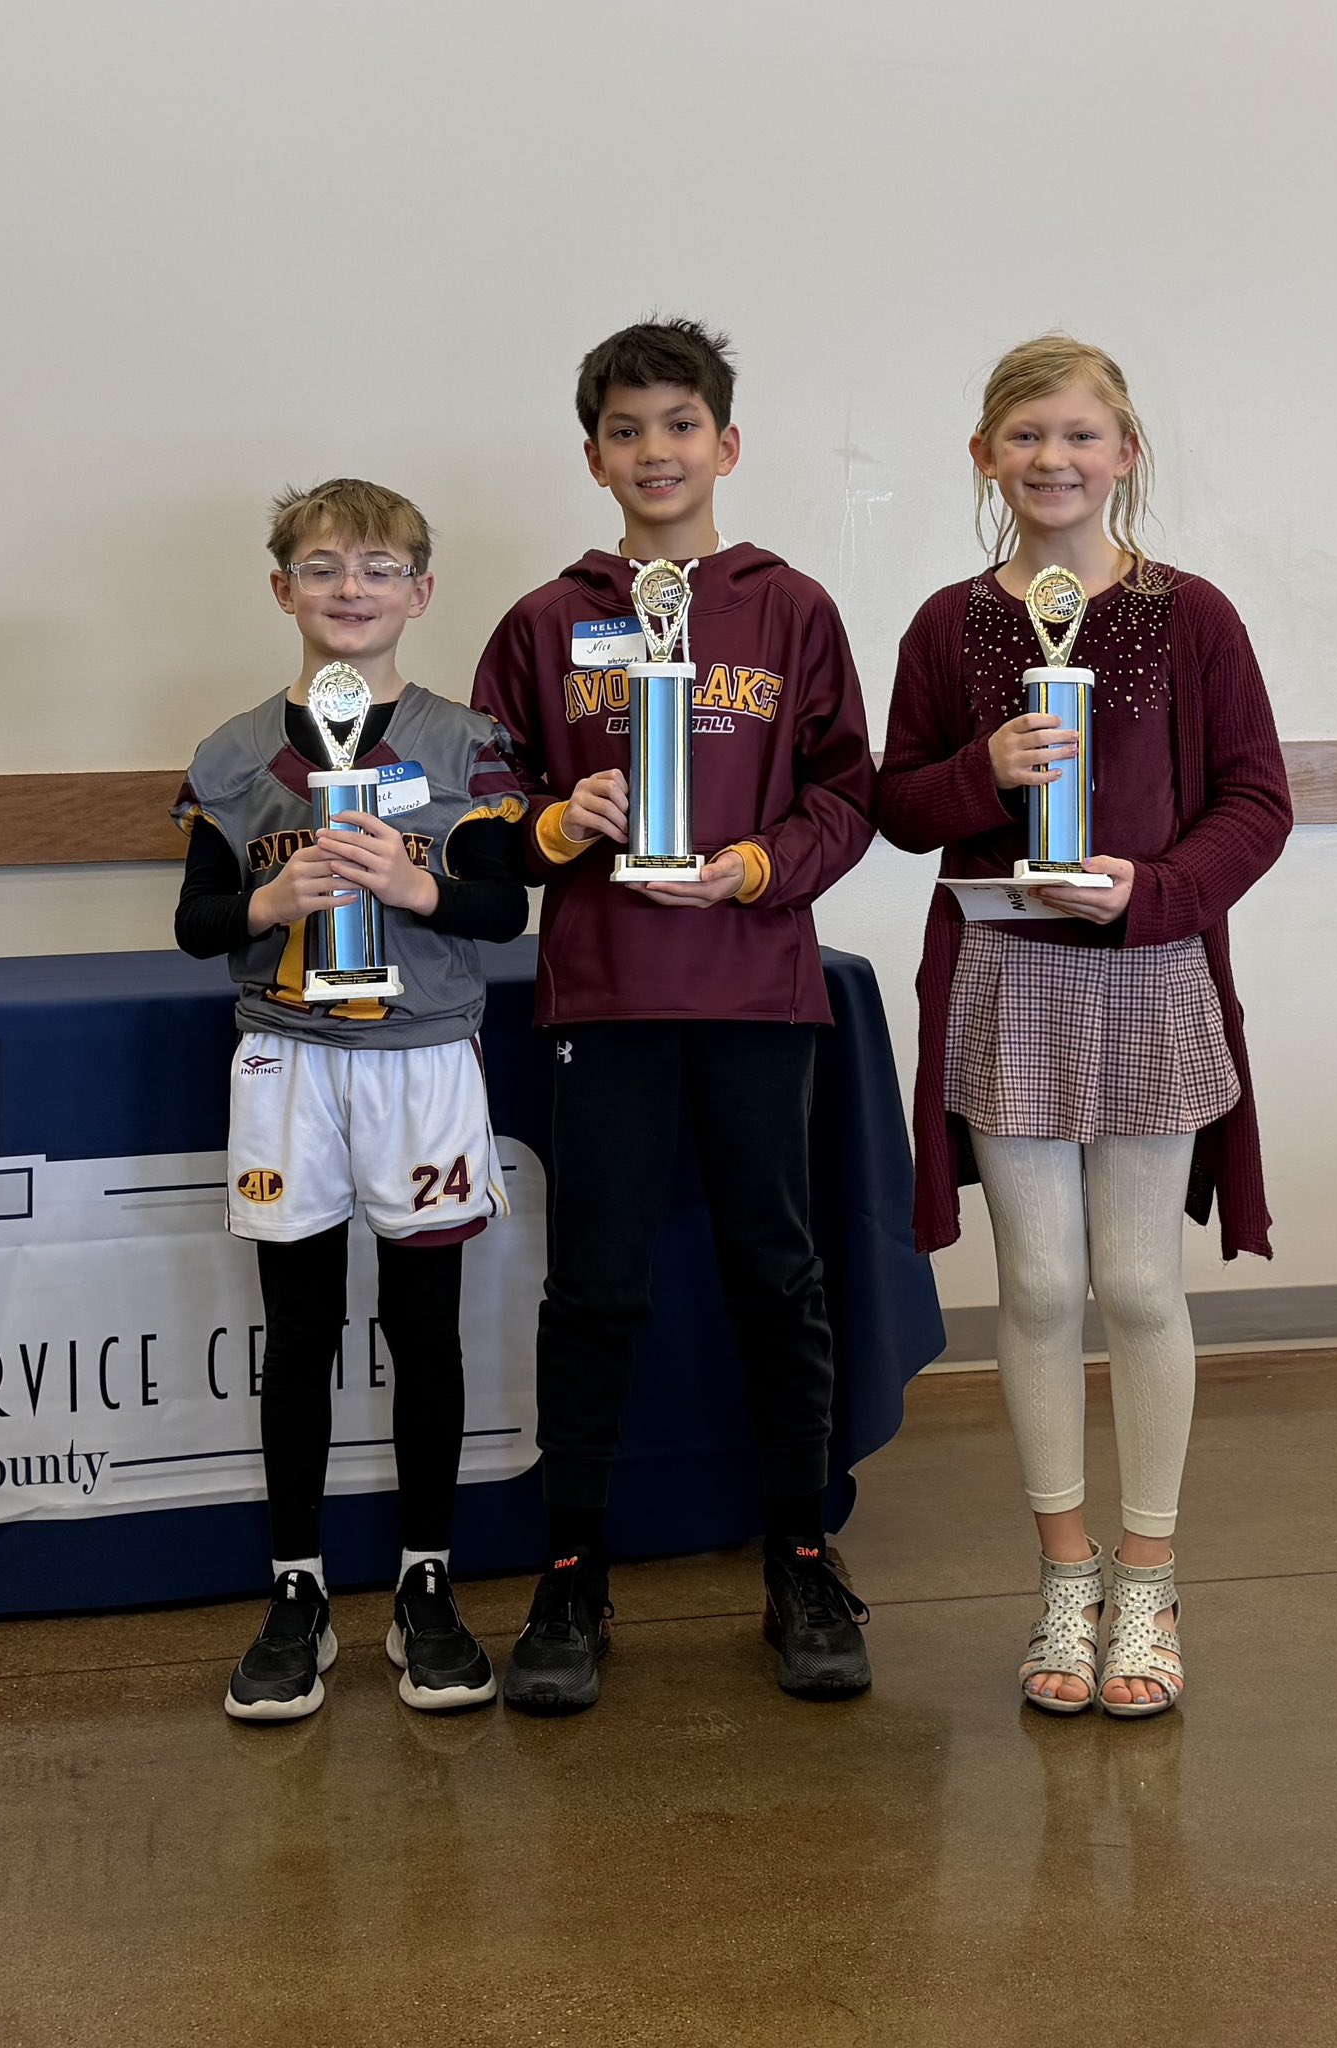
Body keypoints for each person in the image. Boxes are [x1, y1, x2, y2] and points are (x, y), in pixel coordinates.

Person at [877, 336, 1291, 1715]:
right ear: (984, 455)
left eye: (1079, 435)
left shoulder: (1192, 616)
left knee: (1138, 1289)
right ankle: (1064, 1578)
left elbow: (1254, 802)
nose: (1051, 459)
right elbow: (895, 807)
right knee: (1042, 1292)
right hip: (1005, 984)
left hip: (1151, 973)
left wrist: (1154, 888)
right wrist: (976, 770)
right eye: (1023, 436)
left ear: (1123, 454)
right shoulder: (947, 625)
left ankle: (1150, 1580)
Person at [471, 317, 877, 1713]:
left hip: (760, 989)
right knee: (594, 1287)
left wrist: (765, 867)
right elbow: (479, 808)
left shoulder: (791, 609)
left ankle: (803, 1557)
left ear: (727, 443)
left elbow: (844, 792)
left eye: (679, 425)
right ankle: (571, 1571)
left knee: (780, 1276)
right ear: (593, 456)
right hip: (605, 994)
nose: (657, 451)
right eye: (628, 431)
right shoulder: (541, 620)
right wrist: (547, 822)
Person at [173, 476, 528, 1722]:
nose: (352, 589)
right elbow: (194, 921)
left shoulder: (464, 741)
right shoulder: (233, 751)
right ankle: (298, 1591)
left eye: (380, 568)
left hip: (424, 1056)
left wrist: (416, 888)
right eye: (324, 567)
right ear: (284, 590)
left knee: (424, 1328)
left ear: (420, 592)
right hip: (289, 1060)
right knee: (303, 1327)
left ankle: (425, 1581)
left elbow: (501, 906)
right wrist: (271, 903)